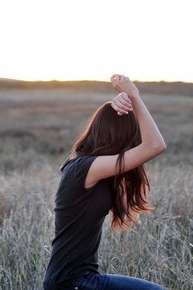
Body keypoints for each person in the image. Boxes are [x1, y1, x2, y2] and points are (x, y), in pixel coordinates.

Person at [43, 74, 167, 290]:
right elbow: (154, 145)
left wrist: (123, 101)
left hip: (79, 280)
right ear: (120, 138)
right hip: (73, 282)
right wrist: (134, 95)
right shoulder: (84, 168)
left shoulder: (93, 171)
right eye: (131, 139)